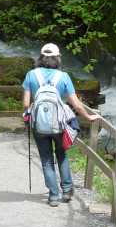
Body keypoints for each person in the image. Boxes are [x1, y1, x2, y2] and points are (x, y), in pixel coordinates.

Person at [22, 42, 100, 206]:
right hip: (59, 124)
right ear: (57, 58)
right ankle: (66, 191)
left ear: (41, 58)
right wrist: (88, 116)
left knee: (46, 160)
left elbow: (26, 103)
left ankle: (53, 196)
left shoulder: (31, 75)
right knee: (62, 155)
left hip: (39, 125)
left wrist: (29, 114)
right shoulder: (63, 77)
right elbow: (76, 104)